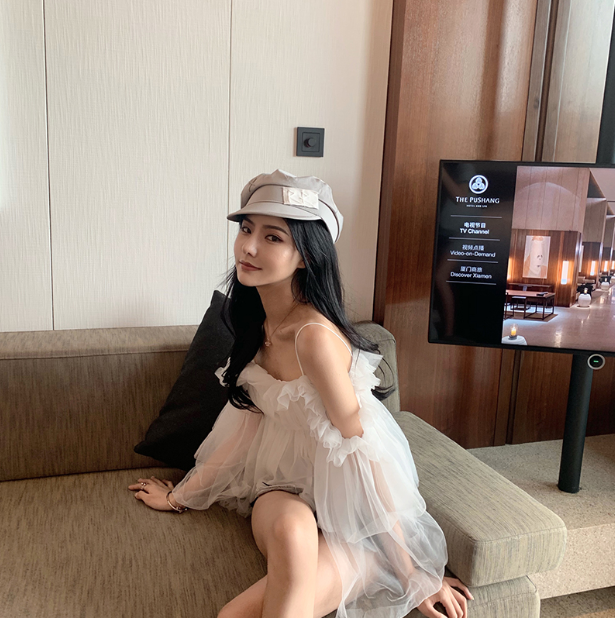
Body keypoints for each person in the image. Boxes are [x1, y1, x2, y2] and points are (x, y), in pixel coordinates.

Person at [128, 170, 473, 618]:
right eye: (246, 229)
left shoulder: (313, 338)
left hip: (348, 517)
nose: (249, 247)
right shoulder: (256, 324)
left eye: (273, 237)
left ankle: (375, 562)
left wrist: (414, 574)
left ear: (306, 257)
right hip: (281, 493)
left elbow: (362, 450)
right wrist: (179, 496)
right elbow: (243, 426)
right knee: (288, 538)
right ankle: (367, 566)